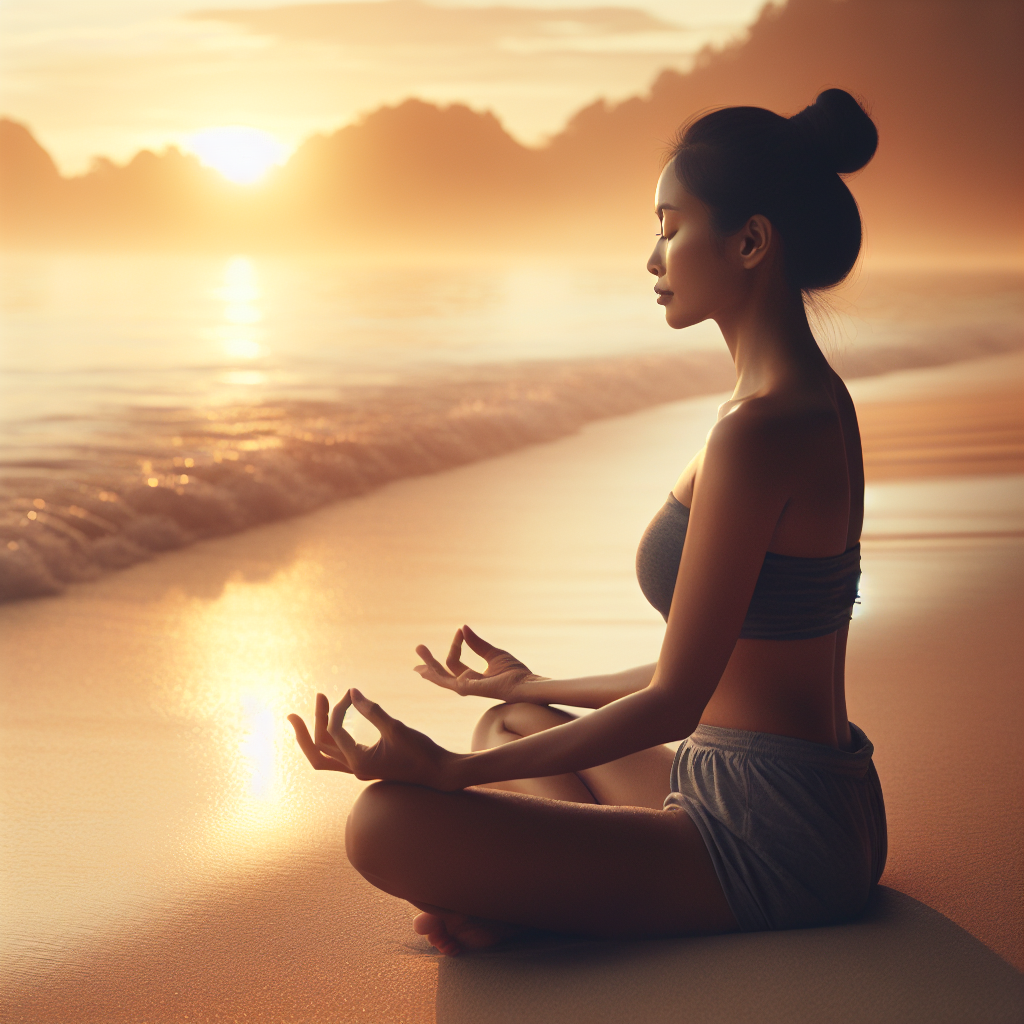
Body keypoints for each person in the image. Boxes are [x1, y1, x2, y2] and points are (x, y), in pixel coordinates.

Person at [288, 88, 887, 957]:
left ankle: (538, 901)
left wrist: (450, 774)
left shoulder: (757, 431)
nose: (653, 259)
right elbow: (714, 666)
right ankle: (541, 894)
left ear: (751, 242)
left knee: (384, 824)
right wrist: (531, 685)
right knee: (514, 726)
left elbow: (676, 698)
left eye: (671, 228)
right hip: (805, 797)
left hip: (769, 833)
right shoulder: (809, 402)